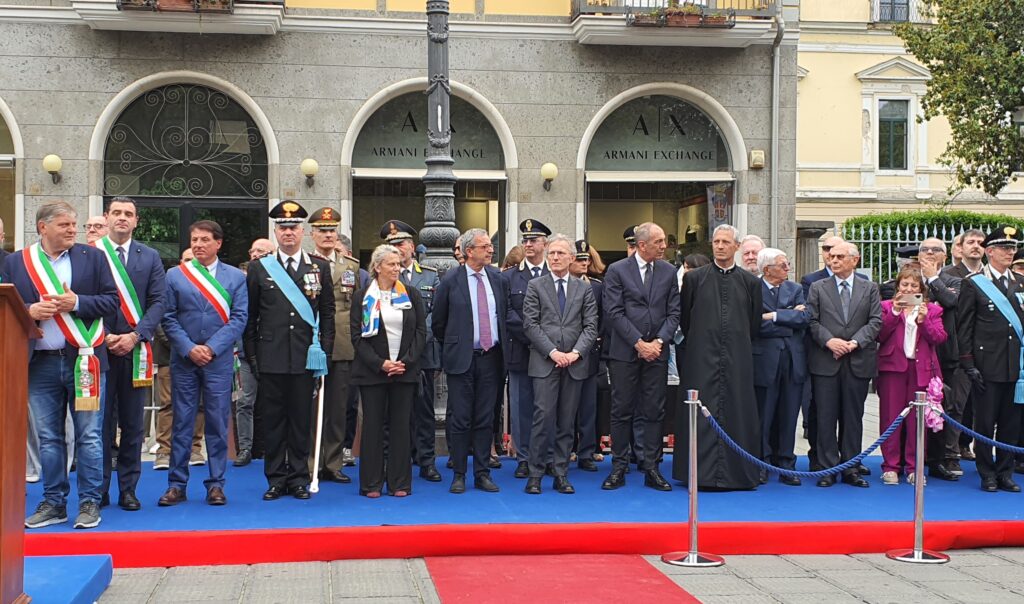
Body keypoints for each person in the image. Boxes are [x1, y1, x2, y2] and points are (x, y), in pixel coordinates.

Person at [4, 201, 118, 530]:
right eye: (64, 225)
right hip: (40, 362)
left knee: (90, 436)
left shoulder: (92, 257)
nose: (72, 230)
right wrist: (28, 310)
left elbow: (111, 302)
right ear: (43, 227)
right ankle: (54, 502)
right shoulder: (18, 262)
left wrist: (77, 302)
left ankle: (89, 502)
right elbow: (8, 306)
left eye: (74, 225)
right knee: (48, 437)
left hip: (84, 359)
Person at [245, 201, 335, 501]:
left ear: (303, 232)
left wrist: (326, 355)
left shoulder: (319, 267)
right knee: (273, 422)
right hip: (271, 358)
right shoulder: (260, 268)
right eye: (283, 228)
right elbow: (251, 317)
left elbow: (328, 314)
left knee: (300, 421)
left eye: (294, 228)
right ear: (275, 231)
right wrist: (254, 358)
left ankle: (298, 477)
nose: (288, 233)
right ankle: (275, 478)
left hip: (305, 358)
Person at [158, 220, 248, 507]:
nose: (198, 244)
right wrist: (188, 348)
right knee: (182, 421)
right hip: (184, 360)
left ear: (218, 243)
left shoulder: (235, 277)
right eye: (194, 239)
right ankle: (176, 484)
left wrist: (211, 347)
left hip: (218, 360)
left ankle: (216, 484)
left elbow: (239, 318)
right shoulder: (175, 275)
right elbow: (167, 316)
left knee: (217, 422)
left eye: (204, 240)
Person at [674, 225, 762, 491]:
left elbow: (754, 323)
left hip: (737, 360)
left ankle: (738, 472)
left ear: (736, 246)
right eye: (716, 241)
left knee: (736, 410)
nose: (720, 246)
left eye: (725, 242)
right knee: (700, 412)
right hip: (701, 360)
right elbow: (686, 320)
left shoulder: (750, 283)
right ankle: (699, 473)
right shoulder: (694, 279)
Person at [95, 197, 166, 511]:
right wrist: (105, 336)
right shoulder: (90, 254)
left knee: (133, 425)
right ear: (107, 217)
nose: (122, 218)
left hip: (135, 350)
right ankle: (98, 490)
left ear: (136, 221)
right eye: (117, 213)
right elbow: (82, 298)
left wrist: (135, 335)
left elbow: (159, 302)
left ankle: (128, 489)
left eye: (129, 214)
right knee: (98, 425)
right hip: (97, 349)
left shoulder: (149, 257)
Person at [602, 222, 679, 492]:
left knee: (654, 411)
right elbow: (613, 312)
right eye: (658, 242)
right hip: (625, 352)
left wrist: (657, 342)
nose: (664, 246)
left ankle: (652, 467)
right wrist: (638, 343)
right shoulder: (617, 270)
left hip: (656, 353)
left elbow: (674, 313)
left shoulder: (669, 272)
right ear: (642, 244)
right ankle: (619, 466)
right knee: (621, 410)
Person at [522, 235, 598, 495]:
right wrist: (554, 352)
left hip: (574, 364)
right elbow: (531, 324)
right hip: (545, 362)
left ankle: (561, 473)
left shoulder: (583, 288)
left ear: (571, 259)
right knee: (542, 418)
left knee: (567, 421)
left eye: (560, 254)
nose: (554, 257)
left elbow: (591, 326)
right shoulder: (536, 285)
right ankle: (535, 474)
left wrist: (575, 353)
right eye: (552, 253)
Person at [433, 228, 507, 494]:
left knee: (485, 418)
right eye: (485, 246)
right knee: (461, 419)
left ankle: (483, 473)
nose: (490, 250)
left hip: (491, 358)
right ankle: (459, 473)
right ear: (468, 251)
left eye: (490, 245)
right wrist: (455, 346)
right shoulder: (450, 280)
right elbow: (439, 322)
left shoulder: (498, 279)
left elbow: (504, 315)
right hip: (462, 359)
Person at [351, 244, 427, 497]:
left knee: (401, 426)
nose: (396, 268)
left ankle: (400, 482)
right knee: (372, 426)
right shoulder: (362, 296)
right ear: (377, 267)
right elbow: (357, 337)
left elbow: (420, 332)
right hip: (373, 372)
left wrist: (405, 361)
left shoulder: (412, 294)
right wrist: (380, 363)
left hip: (404, 370)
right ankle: (371, 483)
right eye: (391, 264)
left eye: (398, 264)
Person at [807, 242, 882, 489]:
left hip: (857, 361)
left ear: (855, 260)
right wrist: (829, 341)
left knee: (853, 418)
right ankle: (827, 468)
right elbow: (812, 320)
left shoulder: (869, 288)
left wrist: (854, 343)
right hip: (826, 361)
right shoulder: (818, 287)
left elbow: (875, 321)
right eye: (831, 256)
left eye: (840, 256)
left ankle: (850, 467)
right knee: (826, 417)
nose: (833, 260)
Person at [957, 225, 1024, 492]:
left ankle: (1005, 471)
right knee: (984, 423)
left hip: (1016, 366)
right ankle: (987, 472)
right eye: (1005, 248)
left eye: (1013, 248)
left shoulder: (1020, 283)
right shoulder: (974, 283)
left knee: (1011, 422)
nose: (1010, 252)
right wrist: (969, 363)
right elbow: (964, 328)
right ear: (990, 252)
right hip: (986, 366)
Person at [380, 220, 442, 482]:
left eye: (401, 243)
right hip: (390, 356)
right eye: (391, 245)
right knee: (389, 411)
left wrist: (415, 345)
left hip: (422, 354)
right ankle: (390, 460)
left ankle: (426, 461)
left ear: (412, 247)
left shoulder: (429, 275)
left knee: (424, 410)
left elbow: (434, 315)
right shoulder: (381, 277)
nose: (397, 249)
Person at [306, 207, 364, 485]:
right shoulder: (305, 263)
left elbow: (355, 307)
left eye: (332, 231)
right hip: (312, 343)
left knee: (339, 408)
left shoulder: (350, 265)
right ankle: (309, 462)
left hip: (342, 344)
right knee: (310, 407)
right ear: (312, 234)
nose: (328, 235)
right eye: (322, 231)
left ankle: (332, 462)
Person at [876, 267, 946, 485]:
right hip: (892, 368)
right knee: (891, 418)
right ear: (898, 287)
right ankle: (890, 467)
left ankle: (915, 467)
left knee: (917, 421)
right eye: (904, 285)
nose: (908, 289)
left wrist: (924, 320)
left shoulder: (933, 310)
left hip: (920, 370)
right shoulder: (886, 307)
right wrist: (895, 314)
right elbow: (879, 335)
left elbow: (939, 338)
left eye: (913, 286)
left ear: (921, 290)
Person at [752, 248, 807, 486]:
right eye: (783, 265)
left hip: (792, 361)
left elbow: (804, 320)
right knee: (763, 414)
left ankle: (786, 464)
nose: (788, 269)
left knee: (789, 414)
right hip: (764, 361)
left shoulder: (795, 289)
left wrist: (773, 316)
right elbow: (753, 324)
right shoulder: (753, 289)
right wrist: (787, 317)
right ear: (767, 269)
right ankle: (762, 463)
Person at [915, 238, 968, 481]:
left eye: (935, 249)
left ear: (945, 257)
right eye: (924, 249)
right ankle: (916, 457)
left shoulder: (954, 281)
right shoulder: (910, 280)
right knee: (916, 409)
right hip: (915, 355)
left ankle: (944, 457)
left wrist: (933, 278)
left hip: (946, 354)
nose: (929, 253)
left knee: (946, 407)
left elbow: (951, 301)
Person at [504, 219, 551, 479]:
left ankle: (546, 455)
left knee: (546, 406)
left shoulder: (553, 274)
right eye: (525, 240)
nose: (528, 244)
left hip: (549, 353)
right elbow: (508, 313)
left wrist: (546, 342)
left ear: (545, 243)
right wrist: (533, 336)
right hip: (521, 350)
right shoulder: (510, 277)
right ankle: (523, 457)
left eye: (533, 240)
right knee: (521, 406)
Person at [153, 250, 207, 471]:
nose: (191, 263)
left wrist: (200, 349)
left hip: (203, 356)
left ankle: (194, 448)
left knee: (199, 405)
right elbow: (161, 318)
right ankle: (164, 450)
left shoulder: (208, 286)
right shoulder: (171, 280)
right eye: (187, 259)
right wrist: (184, 346)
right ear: (180, 262)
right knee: (168, 404)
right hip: (170, 354)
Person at [234, 239, 275, 467]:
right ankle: (245, 448)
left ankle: (272, 447)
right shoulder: (239, 280)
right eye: (253, 251)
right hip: (244, 350)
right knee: (244, 402)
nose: (256, 255)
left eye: (262, 251)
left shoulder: (280, 279)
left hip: (271, 350)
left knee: (274, 402)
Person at [568, 240, 603, 472]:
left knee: (589, 407)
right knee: (566, 407)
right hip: (565, 353)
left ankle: (587, 451)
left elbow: (603, 319)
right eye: (579, 259)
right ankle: (567, 448)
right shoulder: (561, 285)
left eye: (586, 259)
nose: (584, 263)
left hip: (590, 353)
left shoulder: (598, 287)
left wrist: (588, 345)